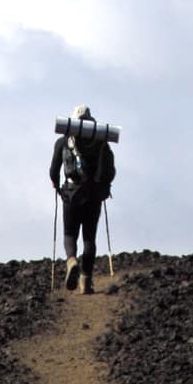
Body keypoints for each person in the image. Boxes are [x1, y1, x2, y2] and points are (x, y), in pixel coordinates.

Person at [49, 104, 116, 295]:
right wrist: (104, 186)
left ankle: (71, 261)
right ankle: (86, 281)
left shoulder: (63, 142)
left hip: (71, 193)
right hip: (94, 195)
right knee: (89, 238)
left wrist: (56, 184)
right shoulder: (102, 142)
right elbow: (110, 170)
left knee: (70, 234)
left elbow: (54, 170)